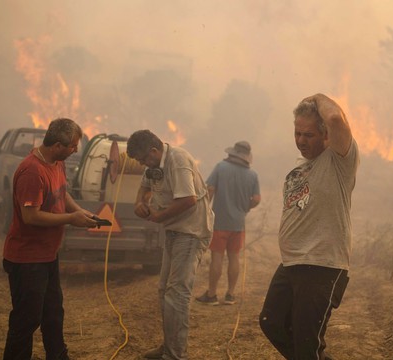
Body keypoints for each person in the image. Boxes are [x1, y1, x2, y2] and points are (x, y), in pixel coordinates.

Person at [259, 93, 360, 359]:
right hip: (292, 262)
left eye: (309, 135)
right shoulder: (298, 170)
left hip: (322, 265)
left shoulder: (339, 161)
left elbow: (337, 118)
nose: (301, 141)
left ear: (326, 136)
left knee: (307, 343)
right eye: (297, 133)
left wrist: (317, 97)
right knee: (272, 323)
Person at [2, 118, 99, 360]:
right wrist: (70, 219)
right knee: (26, 320)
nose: (76, 150)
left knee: (53, 313)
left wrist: (80, 211)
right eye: (73, 147)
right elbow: (30, 216)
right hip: (27, 258)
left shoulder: (57, 163)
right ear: (57, 145)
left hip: (47, 254)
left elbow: (62, 194)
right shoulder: (32, 172)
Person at [126, 130, 213, 360]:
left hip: (191, 231)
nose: (143, 164)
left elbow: (188, 200)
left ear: (154, 151)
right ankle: (169, 346)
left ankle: (176, 355)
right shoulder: (153, 163)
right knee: (164, 290)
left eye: (143, 159)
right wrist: (139, 202)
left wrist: (159, 216)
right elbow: (144, 187)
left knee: (177, 293)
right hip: (174, 230)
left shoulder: (178, 160)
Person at [195, 141, 261, 305]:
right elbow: (256, 199)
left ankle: (211, 295)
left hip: (219, 222)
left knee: (217, 257)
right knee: (234, 258)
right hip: (238, 224)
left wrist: (205, 212)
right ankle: (230, 295)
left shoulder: (221, 167)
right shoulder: (252, 175)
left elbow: (209, 189)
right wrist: (245, 208)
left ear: (232, 153)